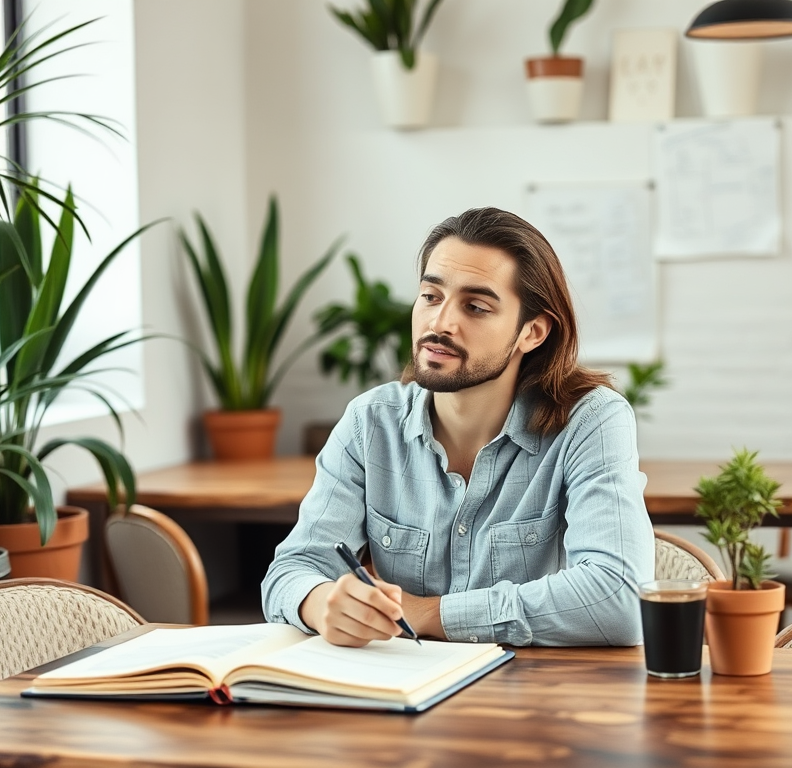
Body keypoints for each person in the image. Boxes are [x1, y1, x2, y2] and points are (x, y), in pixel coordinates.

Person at [261, 206, 654, 647]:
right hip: (402, 694)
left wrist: (429, 613)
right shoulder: (370, 422)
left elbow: (622, 597)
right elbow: (291, 569)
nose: (440, 323)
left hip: (535, 696)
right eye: (431, 296)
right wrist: (322, 603)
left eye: (476, 306)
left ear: (533, 332)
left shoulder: (591, 419)